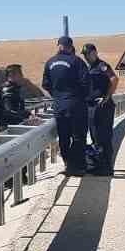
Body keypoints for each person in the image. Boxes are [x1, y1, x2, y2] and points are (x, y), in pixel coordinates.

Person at [42, 36, 89, 175]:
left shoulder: (50, 62)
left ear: (59, 46)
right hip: (76, 105)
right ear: (71, 46)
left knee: (64, 136)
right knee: (78, 136)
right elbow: (86, 83)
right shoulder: (77, 61)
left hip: (59, 106)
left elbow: (45, 84)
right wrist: (81, 97)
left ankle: (68, 164)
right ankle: (78, 167)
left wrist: (57, 96)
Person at [82, 43, 117, 175]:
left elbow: (114, 79)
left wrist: (107, 97)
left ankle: (106, 167)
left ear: (95, 53)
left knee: (103, 137)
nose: (86, 57)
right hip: (92, 106)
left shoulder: (102, 66)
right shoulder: (90, 67)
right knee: (96, 136)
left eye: (88, 54)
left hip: (102, 107)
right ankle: (100, 165)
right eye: (85, 54)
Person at [0, 64, 30, 132]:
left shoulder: (14, 89)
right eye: (20, 74)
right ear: (12, 76)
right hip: (8, 127)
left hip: (13, 125)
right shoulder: (8, 90)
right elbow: (9, 111)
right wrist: (27, 115)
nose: (22, 77)